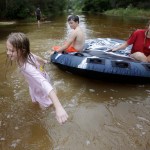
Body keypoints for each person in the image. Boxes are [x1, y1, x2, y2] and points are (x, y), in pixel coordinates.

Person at [6, 32, 68, 124]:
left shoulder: (28, 67)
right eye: (8, 49)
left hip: (40, 84)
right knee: (35, 101)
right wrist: (44, 61)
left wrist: (59, 108)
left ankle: (54, 109)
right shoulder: (27, 54)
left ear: (22, 50)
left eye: (12, 51)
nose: (8, 53)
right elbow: (36, 57)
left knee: (44, 107)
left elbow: (44, 83)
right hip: (36, 82)